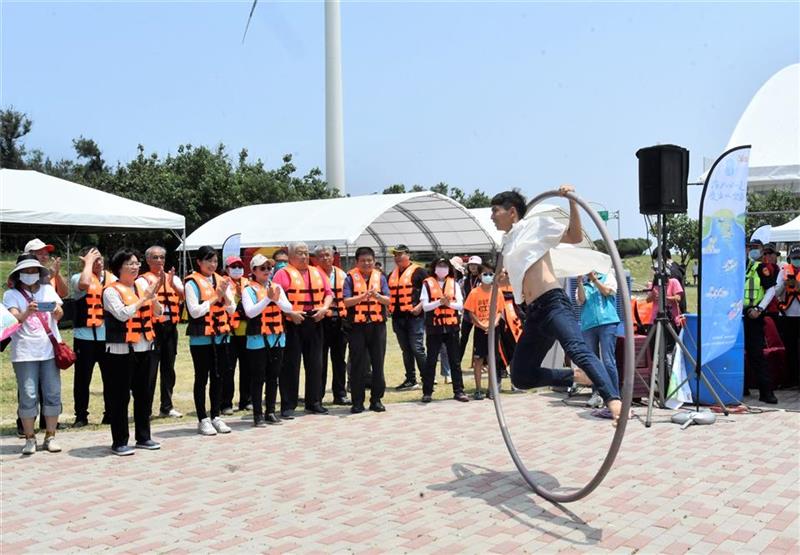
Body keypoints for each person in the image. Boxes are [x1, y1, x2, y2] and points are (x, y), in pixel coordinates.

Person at [490, 187, 622, 424]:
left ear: (512, 212)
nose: (491, 216)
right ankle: (577, 377)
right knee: (521, 376)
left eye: (495, 211)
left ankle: (613, 399)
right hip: (533, 313)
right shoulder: (508, 242)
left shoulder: (535, 226)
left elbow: (574, 236)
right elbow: (527, 271)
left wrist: (572, 202)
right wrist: (506, 279)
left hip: (553, 303)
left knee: (577, 349)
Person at [103, 249, 163, 455]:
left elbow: (159, 313)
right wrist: (142, 299)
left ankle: (143, 437)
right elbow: (121, 315)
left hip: (145, 346)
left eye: (137, 263)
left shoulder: (143, 285)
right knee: (120, 397)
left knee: (144, 394)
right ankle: (119, 441)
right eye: (130, 263)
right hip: (121, 350)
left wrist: (153, 298)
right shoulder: (111, 291)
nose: (135, 267)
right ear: (119, 267)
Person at [3, 254, 64, 455]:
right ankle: (29, 438)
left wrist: (56, 312)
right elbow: (14, 319)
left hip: (48, 350)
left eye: (34, 271)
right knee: (29, 394)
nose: (30, 274)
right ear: (19, 274)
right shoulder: (11, 294)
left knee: (52, 392)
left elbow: (60, 312)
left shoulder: (47, 289)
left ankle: (50, 436)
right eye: (26, 271)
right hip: (24, 352)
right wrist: (27, 312)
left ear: (39, 272)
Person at [272, 242, 333, 417]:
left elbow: (329, 293)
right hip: (293, 322)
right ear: (290, 256)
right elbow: (276, 299)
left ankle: (314, 402)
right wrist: (290, 313)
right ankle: (288, 405)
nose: (304, 256)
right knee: (290, 364)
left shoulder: (317, 272)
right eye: (300, 253)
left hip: (316, 320)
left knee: (316, 363)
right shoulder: (282, 274)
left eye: (306, 253)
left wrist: (324, 308)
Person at [185, 246, 236, 435]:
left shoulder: (222, 281)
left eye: (215, 261)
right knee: (202, 378)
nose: (212, 265)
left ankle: (216, 416)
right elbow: (195, 311)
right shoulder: (191, 283)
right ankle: (202, 418)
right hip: (201, 338)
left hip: (221, 336)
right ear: (199, 262)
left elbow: (232, 309)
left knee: (219, 376)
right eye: (209, 261)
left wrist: (225, 297)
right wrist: (216, 296)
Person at [242, 254, 293, 426]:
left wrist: (276, 299)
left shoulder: (277, 287)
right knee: (258, 377)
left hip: (277, 337)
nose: (267, 271)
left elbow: (288, 308)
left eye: (269, 268)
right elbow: (250, 312)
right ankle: (257, 415)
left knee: (274, 376)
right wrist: (267, 299)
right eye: (262, 268)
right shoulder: (248, 290)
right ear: (254, 271)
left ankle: (270, 411)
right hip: (258, 338)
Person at [71, 246, 116, 427]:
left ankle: (110, 414)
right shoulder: (78, 277)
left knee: (111, 378)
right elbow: (84, 284)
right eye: (94, 258)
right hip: (85, 337)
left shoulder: (113, 279)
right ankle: (81, 416)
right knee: (82, 379)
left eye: (100, 257)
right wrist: (88, 264)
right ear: (85, 260)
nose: (99, 261)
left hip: (108, 337)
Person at [138, 246, 184, 419]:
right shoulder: (142, 280)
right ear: (148, 260)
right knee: (150, 370)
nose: (159, 261)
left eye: (162, 257)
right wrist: (158, 285)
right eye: (155, 257)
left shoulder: (174, 278)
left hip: (170, 328)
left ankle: (167, 406)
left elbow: (183, 296)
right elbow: (146, 299)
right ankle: (146, 409)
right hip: (153, 328)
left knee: (168, 368)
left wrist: (171, 284)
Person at [343, 247, 390, 413]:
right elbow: (346, 301)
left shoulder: (380, 277)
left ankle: (376, 400)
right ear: (357, 262)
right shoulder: (350, 278)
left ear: (374, 260)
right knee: (358, 364)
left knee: (378, 363)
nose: (366, 263)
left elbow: (388, 300)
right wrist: (362, 297)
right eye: (363, 260)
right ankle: (357, 401)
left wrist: (377, 296)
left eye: (369, 260)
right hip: (357, 326)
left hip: (377, 326)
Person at [420, 258, 469, 403]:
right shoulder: (427, 283)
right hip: (434, 327)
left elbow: (460, 306)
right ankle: (427, 392)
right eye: (439, 266)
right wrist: (439, 302)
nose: (442, 269)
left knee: (455, 360)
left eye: (445, 266)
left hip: (451, 326)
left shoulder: (453, 283)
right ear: (434, 268)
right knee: (431, 360)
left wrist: (448, 304)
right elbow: (425, 306)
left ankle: (459, 391)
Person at [576, 270, 620, 410]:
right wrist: (579, 282)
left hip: (607, 323)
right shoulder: (584, 284)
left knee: (608, 361)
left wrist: (594, 280)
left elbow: (608, 291)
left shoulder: (608, 276)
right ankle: (596, 394)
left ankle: (614, 396)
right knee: (592, 362)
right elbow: (581, 300)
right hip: (588, 325)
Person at [387, 245, 427, 390]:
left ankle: (427, 378)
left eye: (400, 254)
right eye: (395, 255)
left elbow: (430, 290)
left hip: (414, 316)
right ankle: (411, 379)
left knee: (417, 348)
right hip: (398, 317)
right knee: (406, 349)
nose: (397, 258)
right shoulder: (392, 274)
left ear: (408, 255)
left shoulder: (419, 272)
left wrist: (420, 306)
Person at [463, 262, 504, 400]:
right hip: (480, 330)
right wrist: (480, 324)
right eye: (485, 274)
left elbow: (499, 311)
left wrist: (494, 323)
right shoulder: (474, 292)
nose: (488, 276)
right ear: (480, 276)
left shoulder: (497, 291)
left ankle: (491, 389)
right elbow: (470, 312)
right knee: (478, 359)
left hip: (494, 330)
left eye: (490, 274)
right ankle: (478, 389)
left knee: (492, 359)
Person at [743, 239, 778, 404]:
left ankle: (766, 392)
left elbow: (771, 290)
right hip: (733, 316)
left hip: (753, 315)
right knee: (733, 352)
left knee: (756, 353)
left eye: (755, 248)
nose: (750, 250)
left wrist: (759, 309)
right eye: (749, 247)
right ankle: (741, 387)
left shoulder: (760, 268)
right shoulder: (730, 267)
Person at [315, 245, 350, 405]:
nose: (325, 258)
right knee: (319, 359)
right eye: (321, 256)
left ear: (333, 256)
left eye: (327, 255)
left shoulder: (342, 274)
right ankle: (318, 395)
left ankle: (340, 394)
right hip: (320, 322)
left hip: (339, 321)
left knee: (339, 359)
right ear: (316, 258)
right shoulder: (313, 274)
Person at [221, 255, 251, 415]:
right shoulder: (223, 282)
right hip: (229, 333)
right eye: (233, 266)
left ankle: (246, 400)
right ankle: (225, 403)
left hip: (246, 331)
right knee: (228, 369)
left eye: (240, 266)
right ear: (226, 268)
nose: (237, 269)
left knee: (247, 368)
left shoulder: (248, 283)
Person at [775, 245, 800, 385]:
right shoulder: (784, 271)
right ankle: (791, 379)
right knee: (789, 349)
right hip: (786, 315)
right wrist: (784, 284)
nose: (797, 261)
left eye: (799, 258)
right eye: (795, 258)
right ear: (790, 258)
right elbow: (776, 292)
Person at [458, 255, 482, 366]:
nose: (473, 267)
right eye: (471, 265)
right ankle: (457, 362)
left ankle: (480, 363)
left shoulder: (484, 279)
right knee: (463, 338)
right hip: (468, 314)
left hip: (481, 314)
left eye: (475, 265)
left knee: (479, 339)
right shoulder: (465, 280)